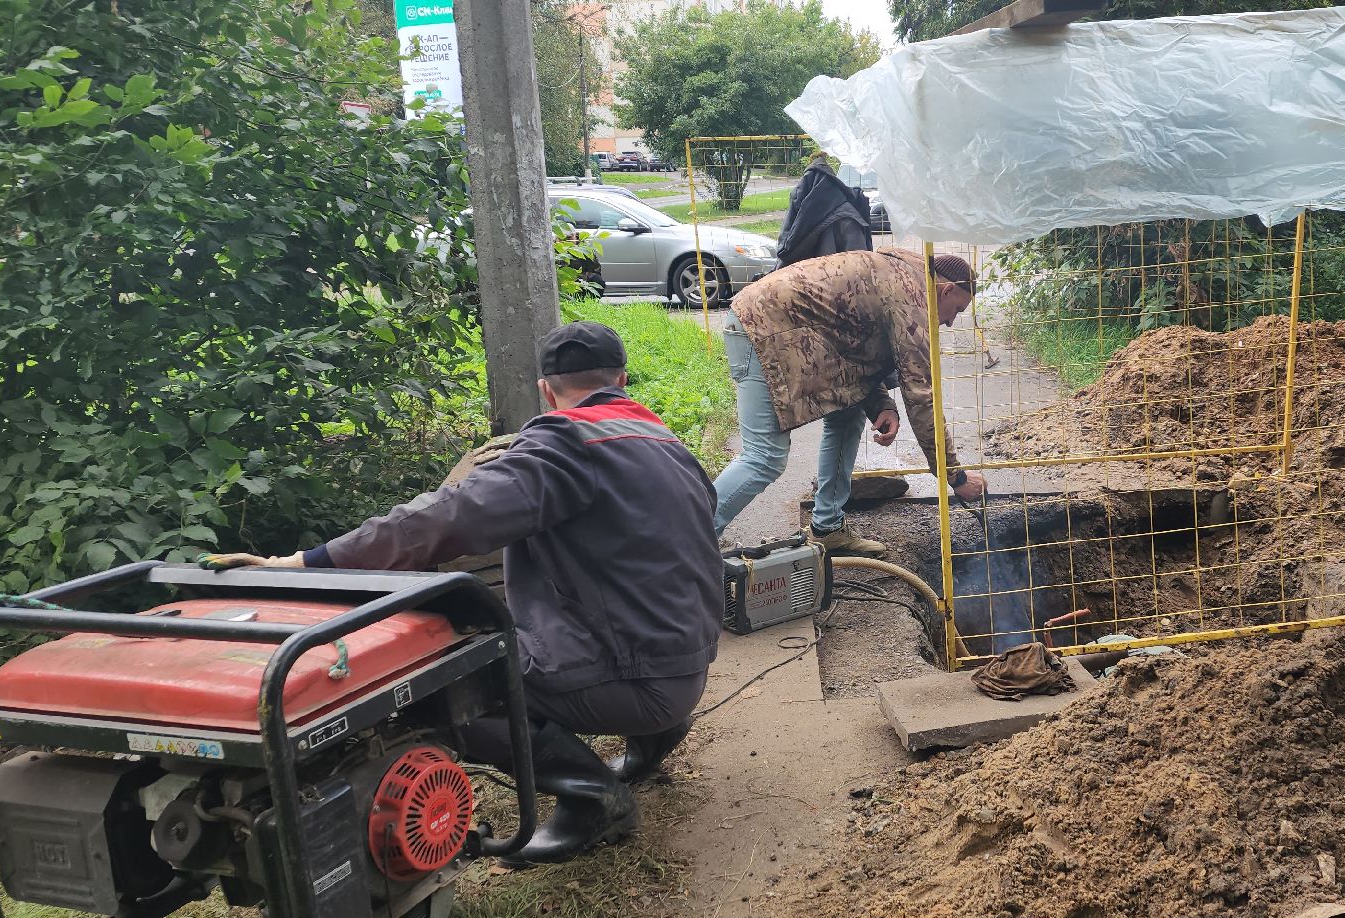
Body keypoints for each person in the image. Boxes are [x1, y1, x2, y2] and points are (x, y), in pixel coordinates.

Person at [203, 322, 722, 866]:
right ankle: (653, 741)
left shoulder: (564, 443)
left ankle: (593, 797)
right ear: (621, 380)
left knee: (435, 688)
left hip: (636, 681)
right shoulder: (662, 440)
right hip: (685, 665)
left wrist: (308, 562)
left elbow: (447, 518)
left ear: (545, 389)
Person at [712, 248, 988, 557]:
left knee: (848, 414)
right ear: (946, 289)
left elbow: (853, 343)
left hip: (782, 327)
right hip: (761, 328)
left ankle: (827, 528)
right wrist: (955, 475)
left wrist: (881, 405)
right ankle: (689, 541)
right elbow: (921, 395)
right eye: (957, 310)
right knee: (764, 457)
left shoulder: (911, 275)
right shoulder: (913, 297)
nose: (951, 323)